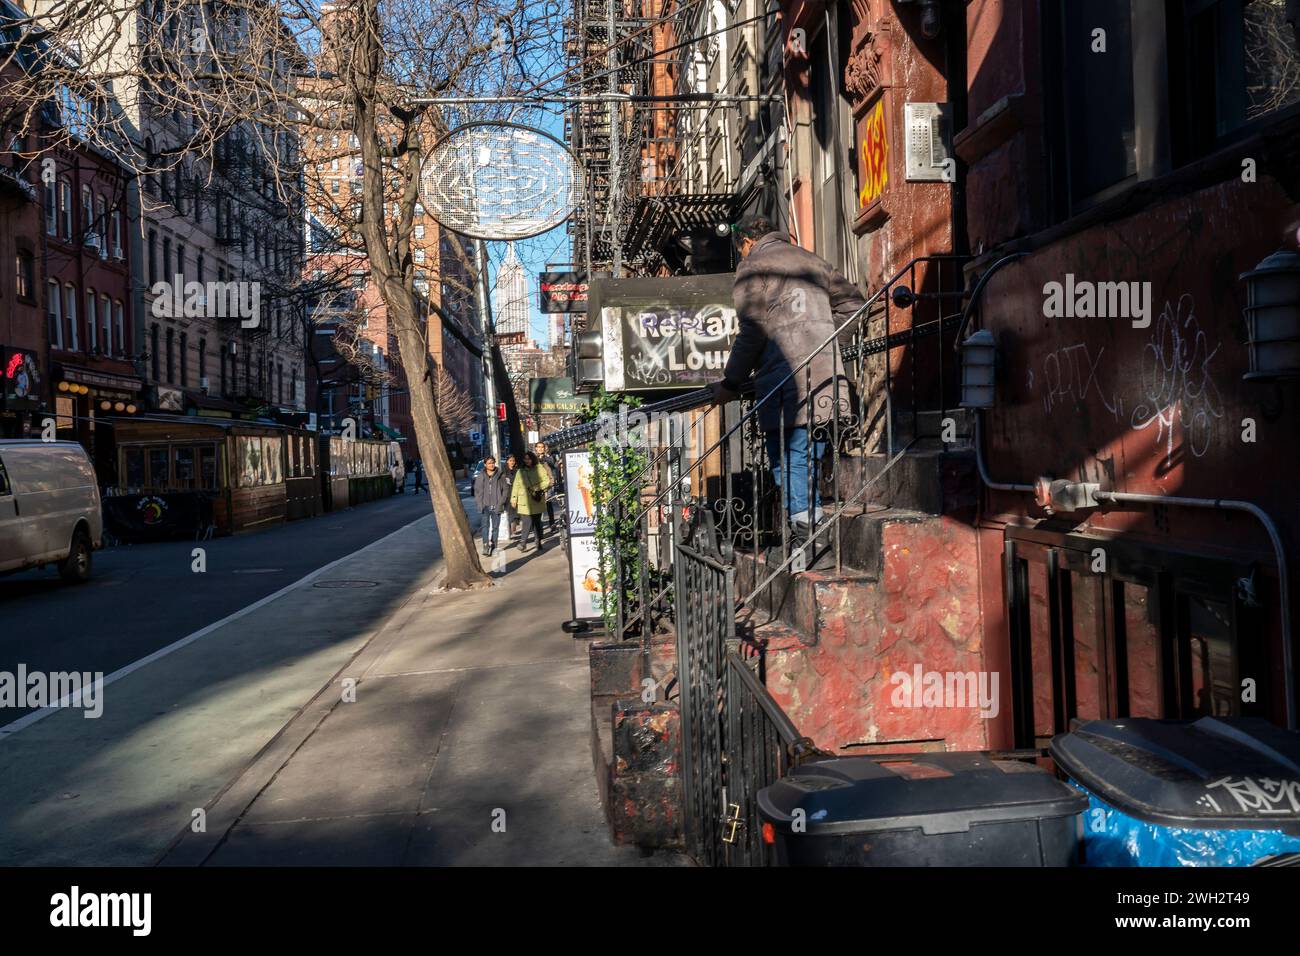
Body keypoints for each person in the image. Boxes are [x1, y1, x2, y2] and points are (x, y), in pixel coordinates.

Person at [711, 215, 865, 562]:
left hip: (784, 384)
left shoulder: (754, 268)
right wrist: (825, 341)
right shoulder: (811, 260)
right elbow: (855, 305)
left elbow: (751, 331)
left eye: (740, 250)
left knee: (792, 460)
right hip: (823, 379)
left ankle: (810, 544)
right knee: (797, 460)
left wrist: (731, 382)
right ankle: (804, 540)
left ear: (747, 243)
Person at [510, 451, 552, 553]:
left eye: (529, 458)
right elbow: (516, 485)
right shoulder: (520, 471)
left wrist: (536, 488)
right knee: (526, 521)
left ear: (533, 459)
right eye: (525, 459)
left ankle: (538, 540)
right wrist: (514, 498)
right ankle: (523, 543)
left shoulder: (539, 468)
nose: (527, 461)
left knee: (537, 523)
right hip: (524, 500)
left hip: (536, 499)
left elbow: (547, 481)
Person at [472, 456, 510, 556]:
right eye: (489, 463)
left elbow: (505, 489)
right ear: (485, 465)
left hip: (497, 505)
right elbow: (477, 491)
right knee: (485, 527)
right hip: (485, 506)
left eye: (492, 462)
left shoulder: (500, 474)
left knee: (495, 528)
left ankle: (494, 546)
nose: (491, 465)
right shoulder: (481, 475)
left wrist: (501, 502)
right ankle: (485, 545)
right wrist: (480, 504)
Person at [534, 441, 561, 535]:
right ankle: (538, 527)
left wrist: (544, 458)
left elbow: (553, 465)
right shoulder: (533, 459)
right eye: (539, 447)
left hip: (548, 484)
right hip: (537, 485)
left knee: (548, 503)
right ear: (536, 448)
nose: (540, 449)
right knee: (538, 506)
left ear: (544, 448)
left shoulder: (548, 458)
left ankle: (552, 523)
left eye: (542, 447)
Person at [502, 453, 520, 538]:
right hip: (507, 494)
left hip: (516, 493)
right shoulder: (504, 470)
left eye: (513, 461)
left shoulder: (517, 470)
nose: (512, 462)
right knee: (508, 511)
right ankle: (509, 529)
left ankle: (513, 527)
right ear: (507, 461)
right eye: (510, 461)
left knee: (516, 511)